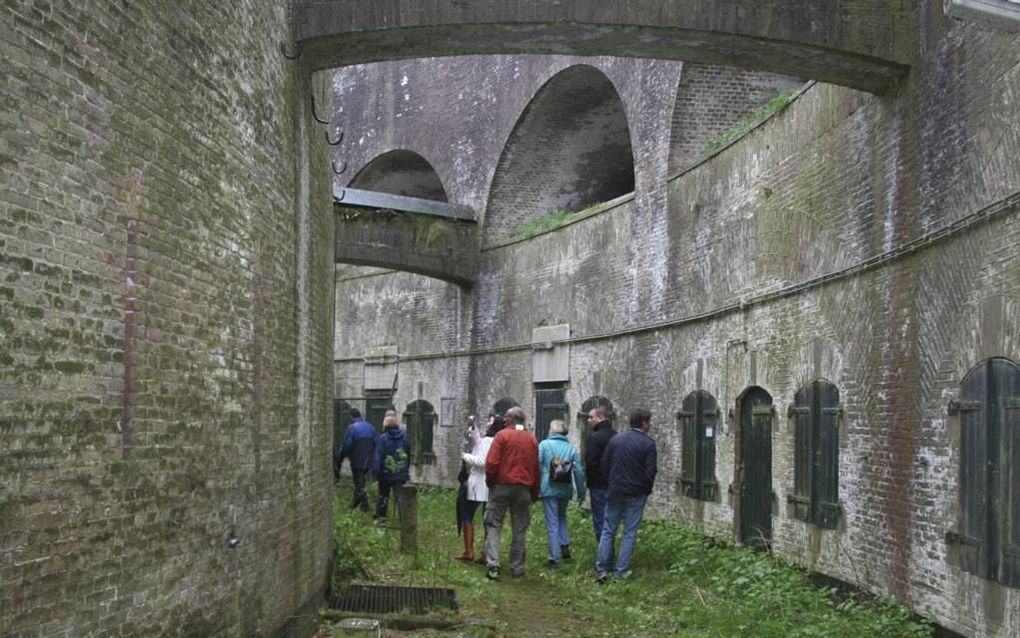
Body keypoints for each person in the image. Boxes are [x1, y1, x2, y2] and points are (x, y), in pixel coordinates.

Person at [595, 408, 657, 583]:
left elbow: (604, 465)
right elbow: (650, 472)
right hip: (636, 493)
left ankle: (602, 570)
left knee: (608, 530)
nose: (649, 425)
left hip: (615, 491)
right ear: (644, 422)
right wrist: (646, 489)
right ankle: (620, 573)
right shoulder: (648, 444)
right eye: (649, 422)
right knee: (629, 532)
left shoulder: (616, 440)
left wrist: (610, 483)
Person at [483, 407, 539, 580]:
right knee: (520, 527)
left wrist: (491, 482)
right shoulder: (532, 439)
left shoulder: (502, 436)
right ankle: (517, 567)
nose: (504, 420)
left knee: (493, 524)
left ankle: (493, 564)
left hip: (502, 484)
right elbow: (536, 468)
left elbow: (491, 463)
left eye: (506, 417)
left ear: (511, 420)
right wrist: (534, 491)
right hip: (523, 488)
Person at [538, 419, 586, 567]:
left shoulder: (544, 445)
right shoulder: (571, 449)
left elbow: (537, 464)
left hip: (549, 486)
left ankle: (554, 558)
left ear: (551, 430)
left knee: (552, 521)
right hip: (565, 487)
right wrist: (581, 492)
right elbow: (578, 472)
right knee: (561, 516)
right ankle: (564, 544)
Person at [456, 414, 498, 561]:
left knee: (467, 515)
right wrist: (474, 428)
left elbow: (481, 461)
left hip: (478, 483)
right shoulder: (494, 440)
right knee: (486, 519)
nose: (487, 423)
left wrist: (465, 456)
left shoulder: (488, 441)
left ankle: (469, 551)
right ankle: (485, 553)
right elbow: (478, 441)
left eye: (490, 421)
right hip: (489, 484)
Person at [335, 408, 377, 511]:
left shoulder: (352, 428)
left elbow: (347, 445)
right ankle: (354, 504)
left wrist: (340, 458)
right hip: (369, 460)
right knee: (361, 481)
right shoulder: (370, 427)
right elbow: (377, 441)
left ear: (352, 417)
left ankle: (365, 505)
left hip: (357, 460)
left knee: (359, 482)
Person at [585, 406, 616, 541]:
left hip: (598, 484)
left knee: (600, 519)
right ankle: (609, 552)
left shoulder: (595, 438)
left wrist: (589, 481)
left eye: (591, 417)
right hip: (615, 483)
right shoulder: (616, 436)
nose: (588, 420)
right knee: (611, 519)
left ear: (600, 417)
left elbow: (591, 462)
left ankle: (604, 556)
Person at [373, 414, 411, 521]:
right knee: (400, 498)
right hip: (401, 473)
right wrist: (405, 469)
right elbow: (408, 455)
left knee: (383, 497)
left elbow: (378, 457)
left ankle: (381, 520)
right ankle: (404, 520)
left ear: (385, 425)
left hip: (385, 474)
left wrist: (377, 472)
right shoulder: (405, 437)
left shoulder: (382, 438)